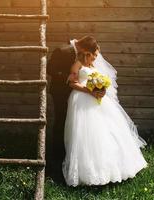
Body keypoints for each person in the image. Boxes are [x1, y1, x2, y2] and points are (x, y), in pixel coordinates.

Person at [62, 39, 148, 186]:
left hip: (97, 100)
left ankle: (114, 166)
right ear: (87, 53)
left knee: (107, 130)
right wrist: (89, 91)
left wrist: (100, 90)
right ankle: (88, 172)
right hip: (82, 100)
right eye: (94, 55)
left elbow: (98, 81)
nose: (96, 57)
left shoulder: (93, 65)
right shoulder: (78, 64)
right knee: (87, 133)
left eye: (97, 55)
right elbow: (71, 83)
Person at [46, 36, 100, 181]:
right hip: (61, 93)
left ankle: (73, 152)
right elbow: (49, 68)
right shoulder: (62, 50)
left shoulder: (82, 53)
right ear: (83, 48)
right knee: (61, 122)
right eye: (88, 53)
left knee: (77, 125)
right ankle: (57, 155)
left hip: (78, 95)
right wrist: (68, 77)